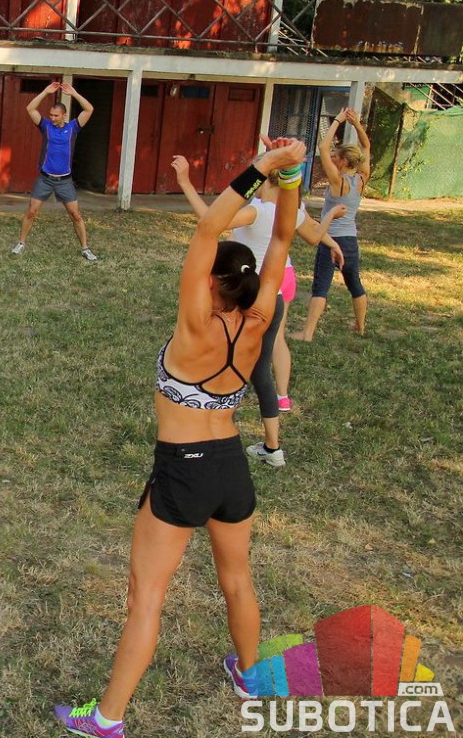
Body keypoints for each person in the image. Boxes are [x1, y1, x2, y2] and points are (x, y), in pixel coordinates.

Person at [53, 140, 308, 737]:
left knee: (145, 597)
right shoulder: (260, 318)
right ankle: (250, 675)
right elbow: (282, 238)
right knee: (237, 581)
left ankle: (108, 719)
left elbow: (210, 225)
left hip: (183, 470)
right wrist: (293, 176)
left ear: (212, 282)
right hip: (231, 468)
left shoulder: (195, 325)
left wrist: (263, 169)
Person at [173, 152, 345, 467]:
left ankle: (206, 437)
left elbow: (210, 222)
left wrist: (184, 182)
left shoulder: (258, 211)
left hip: (241, 298)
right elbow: (312, 237)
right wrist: (331, 227)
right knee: (260, 370)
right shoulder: (293, 212)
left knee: (217, 364)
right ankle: (272, 448)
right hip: (272, 299)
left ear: (265, 178)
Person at [297, 107, 371, 342]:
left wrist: (338, 120)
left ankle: (307, 333)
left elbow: (322, 147)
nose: (333, 158)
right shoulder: (361, 179)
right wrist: (356, 124)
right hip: (350, 241)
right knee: (354, 283)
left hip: (330, 240)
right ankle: (360, 327)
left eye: (336, 157)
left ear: (344, 161)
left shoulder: (338, 181)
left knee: (320, 286)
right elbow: (366, 146)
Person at [12, 81, 96, 261]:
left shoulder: (73, 128)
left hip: (64, 181)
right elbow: (30, 109)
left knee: (76, 215)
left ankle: (85, 248)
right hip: (45, 179)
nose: (52, 118)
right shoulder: (46, 127)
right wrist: (45, 91)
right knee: (31, 212)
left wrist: (74, 93)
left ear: (64, 115)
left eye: (56, 115)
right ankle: (21, 243)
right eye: (50, 115)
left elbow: (89, 109)